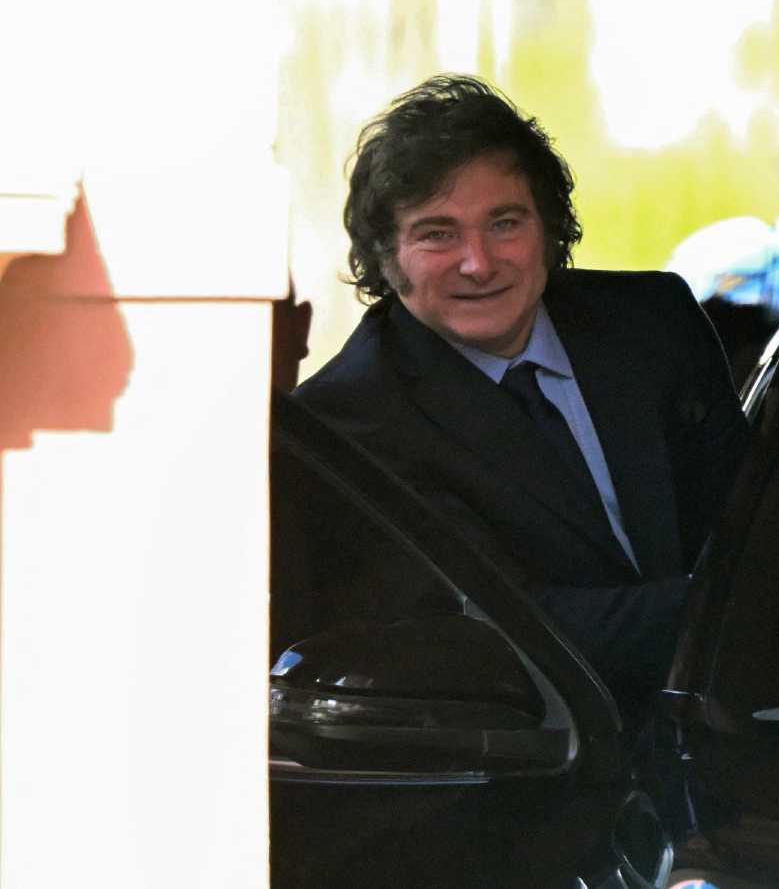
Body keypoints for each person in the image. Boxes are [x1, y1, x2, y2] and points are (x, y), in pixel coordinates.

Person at [294, 74, 748, 719]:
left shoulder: (655, 320)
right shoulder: (349, 420)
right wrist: (755, 607)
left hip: (728, 718)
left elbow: (744, 519)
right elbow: (508, 630)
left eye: (504, 223)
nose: (478, 263)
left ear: (548, 228)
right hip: (531, 754)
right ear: (386, 256)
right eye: (437, 234)